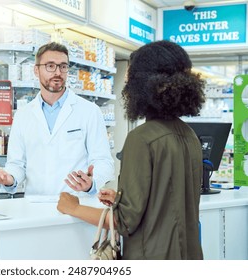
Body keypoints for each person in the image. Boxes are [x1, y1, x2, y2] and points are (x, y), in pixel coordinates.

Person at [57, 40, 205, 260]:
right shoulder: (189, 135)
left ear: (143, 85)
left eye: (130, 77)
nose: (126, 82)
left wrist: (73, 208)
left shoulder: (141, 139)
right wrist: (120, 198)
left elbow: (124, 222)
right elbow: (170, 202)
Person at [0, 42, 114, 196]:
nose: (57, 72)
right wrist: (9, 178)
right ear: (36, 70)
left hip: (77, 207)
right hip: (35, 208)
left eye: (63, 66)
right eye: (50, 66)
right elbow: (16, 164)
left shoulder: (89, 111)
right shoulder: (23, 115)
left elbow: (104, 162)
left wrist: (92, 182)